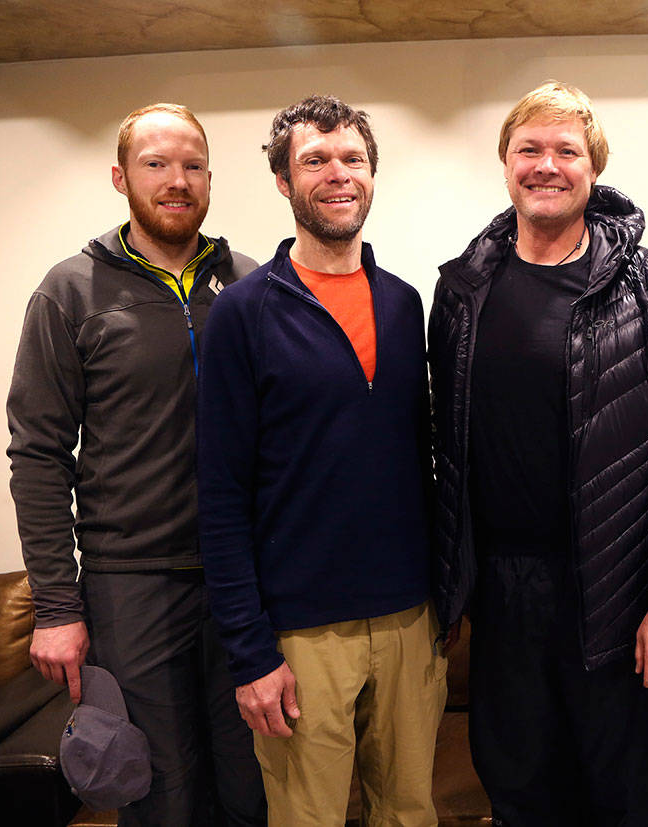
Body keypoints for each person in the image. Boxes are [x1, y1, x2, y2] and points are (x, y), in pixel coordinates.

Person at [427, 80, 648, 825]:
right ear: (506, 162)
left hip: (618, 595)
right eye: (529, 148)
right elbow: (444, 446)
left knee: (622, 799)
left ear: (593, 169)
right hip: (503, 596)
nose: (546, 165)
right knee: (518, 787)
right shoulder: (463, 291)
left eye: (566, 150)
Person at [6, 102, 264, 826]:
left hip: (243, 580)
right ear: (121, 177)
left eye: (192, 165)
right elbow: (37, 454)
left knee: (253, 785)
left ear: (210, 178)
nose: (176, 180)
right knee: (161, 793)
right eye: (156, 164)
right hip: (132, 588)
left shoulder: (247, 286)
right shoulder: (69, 293)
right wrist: (57, 606)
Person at [196, 95, 443, 826]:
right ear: (283, 181)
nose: (338, 174)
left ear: (372, 174)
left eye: (353, 159)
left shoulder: (404, 304)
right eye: (315, 160)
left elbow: (424, 460)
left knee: (410, 812)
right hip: (300, 636)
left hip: (408, 620)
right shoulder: (243, 312)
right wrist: (250, 652)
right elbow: (220, 493)